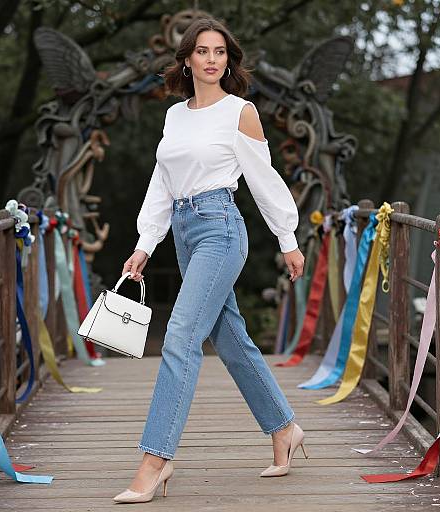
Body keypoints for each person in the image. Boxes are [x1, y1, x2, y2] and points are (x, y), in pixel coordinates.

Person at [113, 16, 306, 504]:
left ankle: (156, 459)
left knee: (180, 334)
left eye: (220, 51)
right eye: (203, 51)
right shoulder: (175, 116)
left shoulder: (240, 111)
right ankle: (284, 429)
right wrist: (145, 242)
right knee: (231, 337)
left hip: (221, 228)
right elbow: (162, 181)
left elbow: (264, 178)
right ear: (187, 59)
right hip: (182, 232)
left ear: (229, 60)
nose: (212, 59)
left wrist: (287, 236)